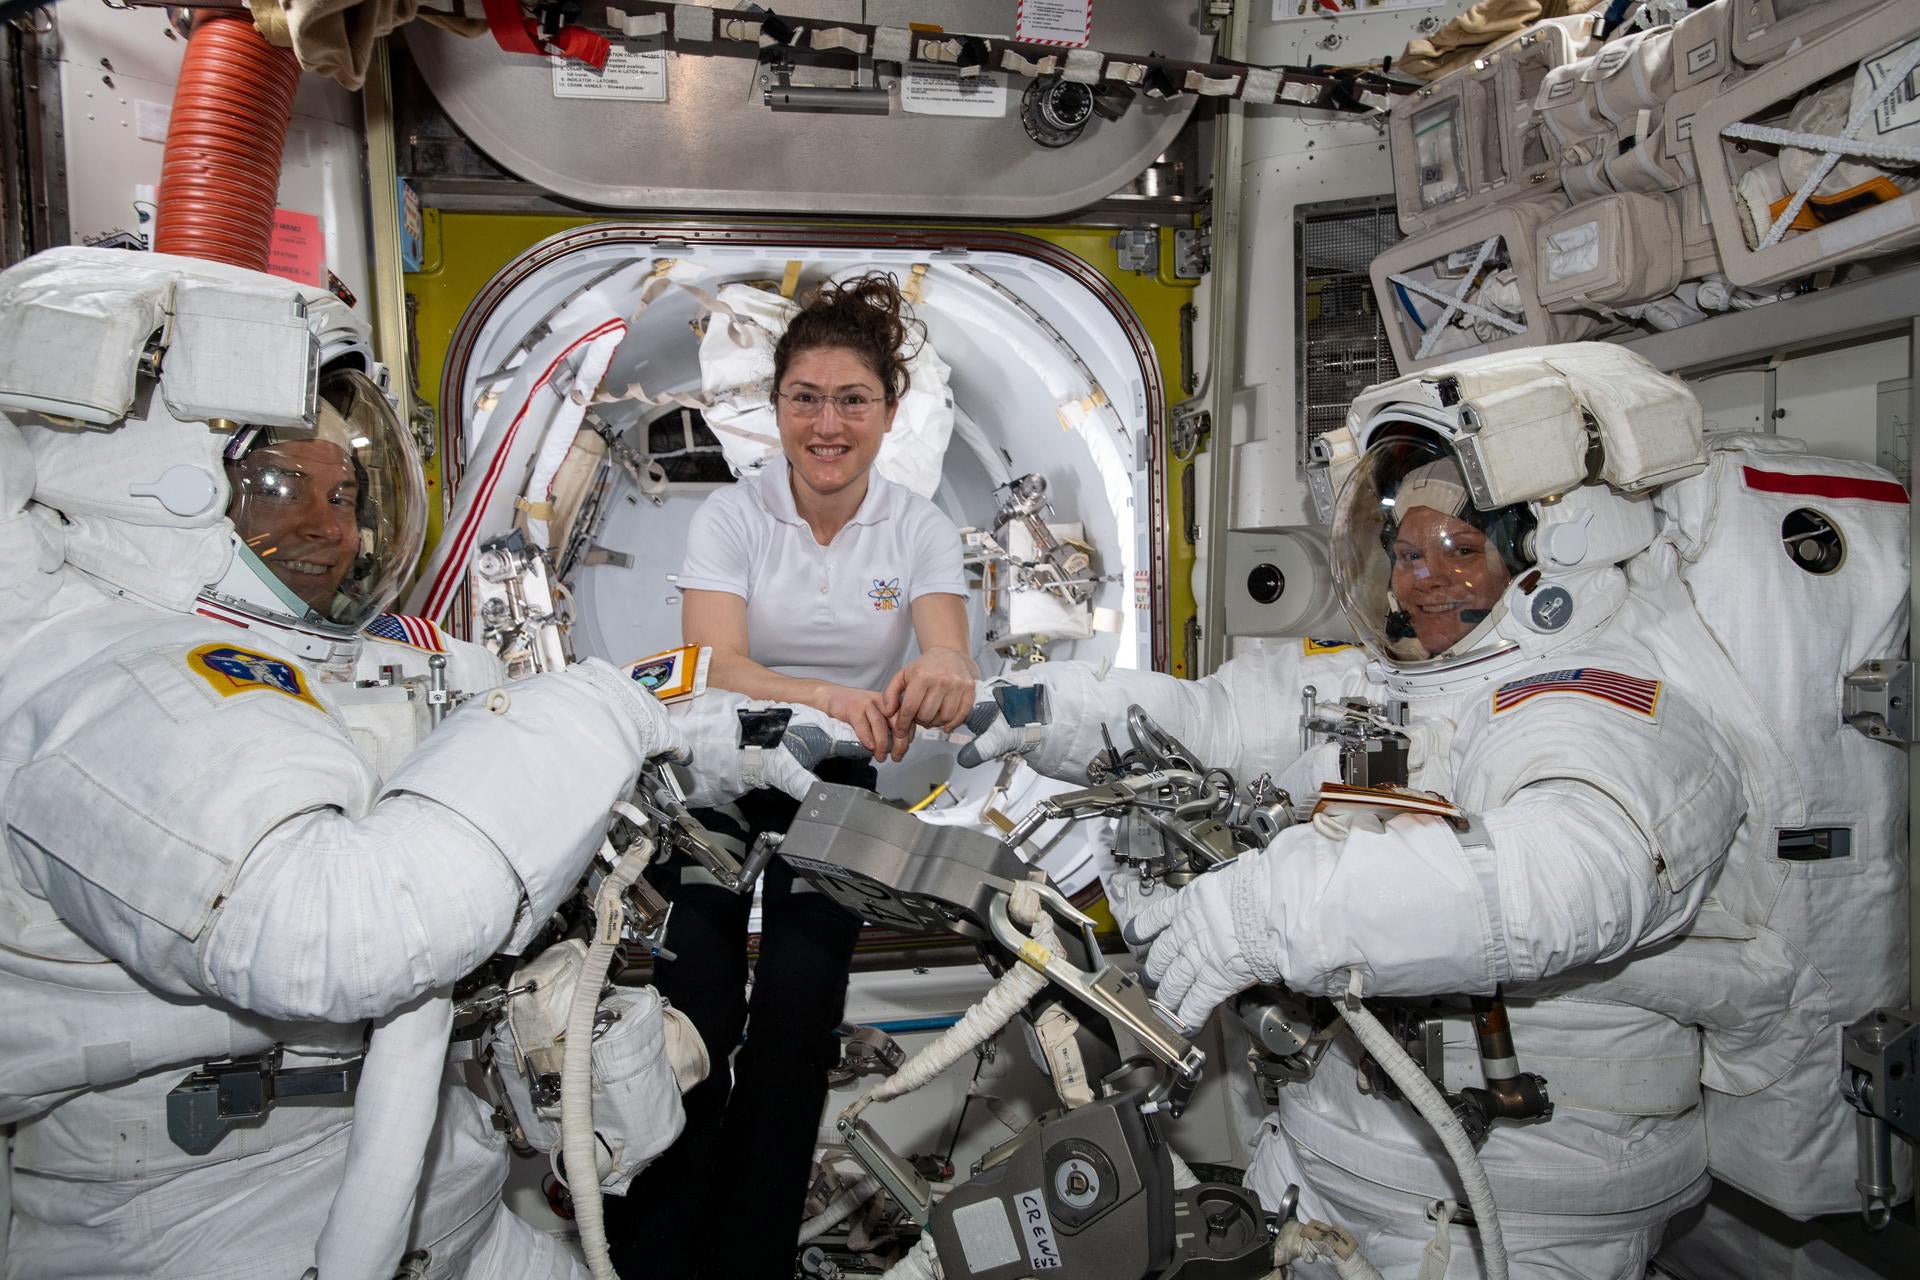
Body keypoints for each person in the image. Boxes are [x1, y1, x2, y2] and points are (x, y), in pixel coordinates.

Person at [0, 247, 828, 1279]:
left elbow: (493, 746)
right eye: (275, 484)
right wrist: (611, 708)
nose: (328, 527)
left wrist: (697, 741)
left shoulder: (348, 664)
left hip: (437, 1187)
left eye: (346, 491)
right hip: (206, 1221)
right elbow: (339, 926)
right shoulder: (93, 688)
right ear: (143, 485)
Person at [957, 347, 1827, 1277]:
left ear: (1552, 553)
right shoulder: (1385, 682)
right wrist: (1043, 710)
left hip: (1514, 1200)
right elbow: (1211, 720)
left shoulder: (1615, 705)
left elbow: (1565, 884)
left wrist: (1269, 913)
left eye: (1460, 550)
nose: (1423, 581)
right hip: (1328, 1152)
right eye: (1408, 553)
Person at [611, 274, 977, 1280]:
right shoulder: (731, 517)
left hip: (839, 777)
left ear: (888, 412)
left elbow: (947, 644)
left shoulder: (919, 526)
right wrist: (827, 688)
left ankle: (749, 1258)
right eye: (805, 397)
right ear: (776, 409)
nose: (828, 421)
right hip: (725, 762)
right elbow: (713, 662)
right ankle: (657, 1251)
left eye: (852, 398)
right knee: (699, 1009)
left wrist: (944, 669)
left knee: (795, 1015)